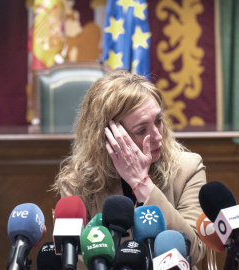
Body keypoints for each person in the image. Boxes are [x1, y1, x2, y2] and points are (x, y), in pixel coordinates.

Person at [52, 71, 206, 269]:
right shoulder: (77, 184)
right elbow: (77, 260)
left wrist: (142, 183)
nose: (158, 136)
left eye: (158, 121)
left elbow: (195, 249)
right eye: (142, 130)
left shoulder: (188, 168)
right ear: (108, 138)